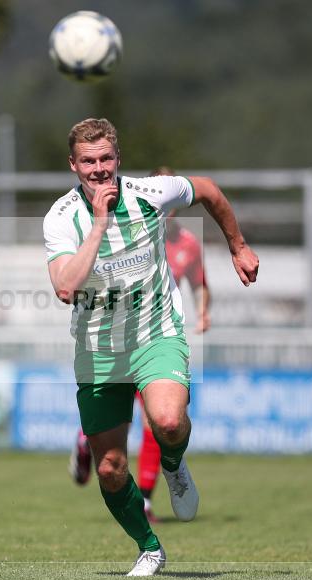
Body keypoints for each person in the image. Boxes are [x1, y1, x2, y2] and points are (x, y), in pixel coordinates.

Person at [44, 118, 257, 576]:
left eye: (105, 159)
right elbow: (64, 287)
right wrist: (99, 224)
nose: (98, 169)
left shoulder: (151, 193)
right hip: (98, 350)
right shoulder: (62, 218)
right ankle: (149, 546)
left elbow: (209, 191)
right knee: (110, 470)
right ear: (73, 166)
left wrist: (236, 246)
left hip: (154, 332)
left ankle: (174, 465)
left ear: (117, 159)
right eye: (88, 161)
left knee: (167, 420)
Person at [69, 166, 211, 525]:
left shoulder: (188, 244)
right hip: (114, 342)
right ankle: (87, 440)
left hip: (156, 338)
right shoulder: (131, 227)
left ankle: (147, 497)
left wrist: (204, 312)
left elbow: (200, 282)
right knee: (119, 432)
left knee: (160, 422)